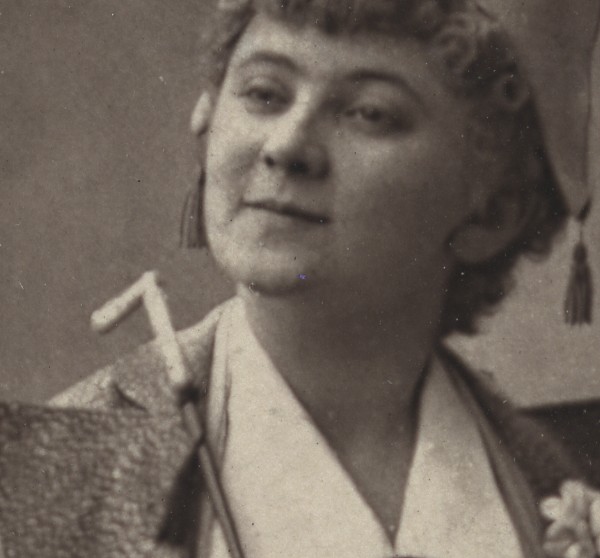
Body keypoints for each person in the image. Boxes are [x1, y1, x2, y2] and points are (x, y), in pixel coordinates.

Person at [1, 0, 599, 557]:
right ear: (207, 119)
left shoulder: (549, 479)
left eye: (370, 113)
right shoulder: (67, 461)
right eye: (264, 93)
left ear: (492, 212)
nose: (287, 146)